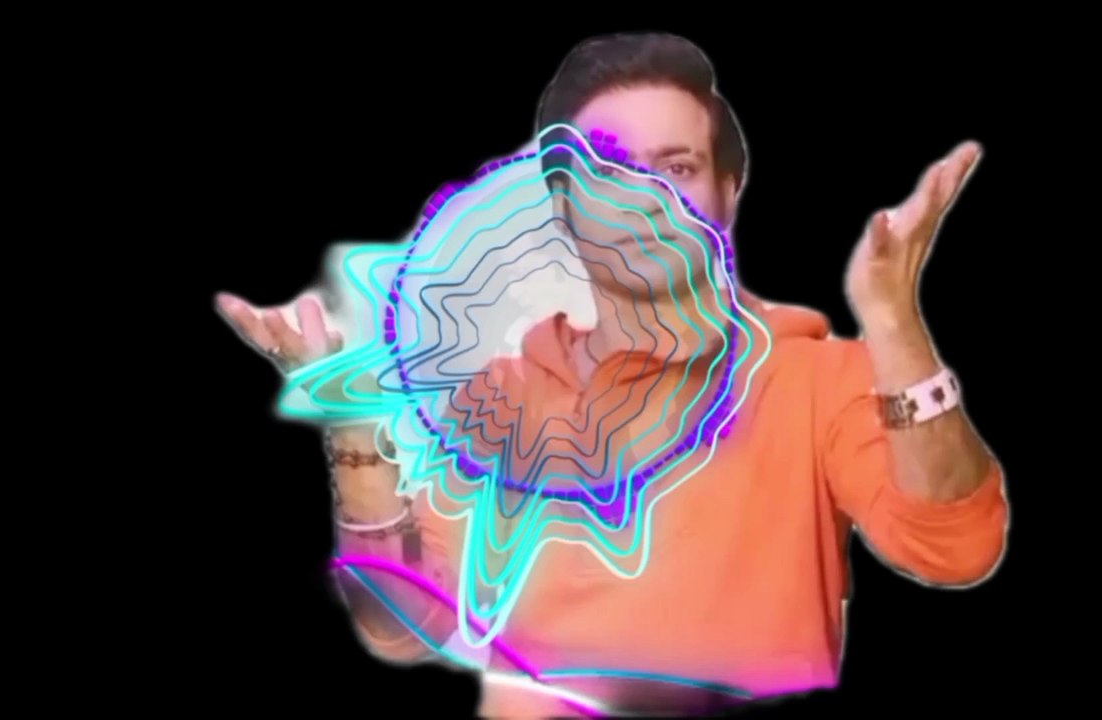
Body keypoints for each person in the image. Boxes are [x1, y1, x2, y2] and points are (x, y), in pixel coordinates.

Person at [216, 32, 1008, 717]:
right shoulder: (503, 397)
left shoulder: (824, 380)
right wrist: (350, 427)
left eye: (679, 167)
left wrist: (893, 322)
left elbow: (957, 550)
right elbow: (400, 627)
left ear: (729, 192)